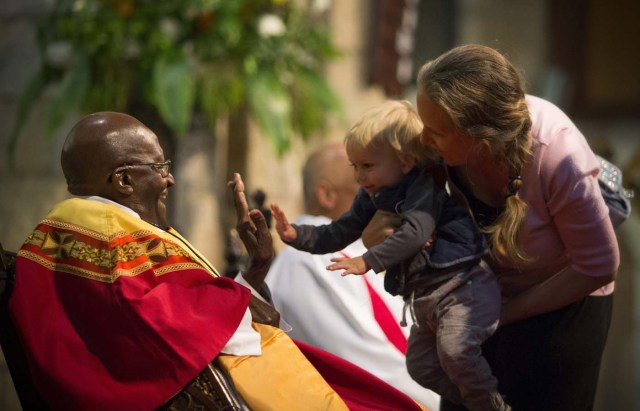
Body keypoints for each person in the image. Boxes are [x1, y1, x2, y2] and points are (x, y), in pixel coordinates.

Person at [7, 111, 431, 411]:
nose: (169, 179)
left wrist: (255, 270)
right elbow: (156, 323)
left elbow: (182, 314)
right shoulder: (103, 230)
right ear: (123, 180)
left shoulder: (86, 228)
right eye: (159, 167)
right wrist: (235, 297)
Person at [408, 43, 619, 410]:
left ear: (481, 142)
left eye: (436, 132)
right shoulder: (448, 146)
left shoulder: (558, 156)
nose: (423, 139)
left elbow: (598, 265)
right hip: (483, 296)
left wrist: (503, 313)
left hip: (564, 302)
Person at [271, 101, 509, 410]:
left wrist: (370, 257)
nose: (361, 179)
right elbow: (368, 358)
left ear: (405, 163)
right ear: (327, 195)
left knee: (456, 352)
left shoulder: (420, 192)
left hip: (464, 285)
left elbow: (416, 232)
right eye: (354, 169)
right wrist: (297, 236)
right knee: (425, 366)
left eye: (368, 167)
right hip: (403, 370)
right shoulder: (309, 264)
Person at [265, 142, 441, 410]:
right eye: (366, 188)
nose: (386, 197)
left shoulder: (359, 249)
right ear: (327, 195)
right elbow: (369, 364)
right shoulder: (309, 262)